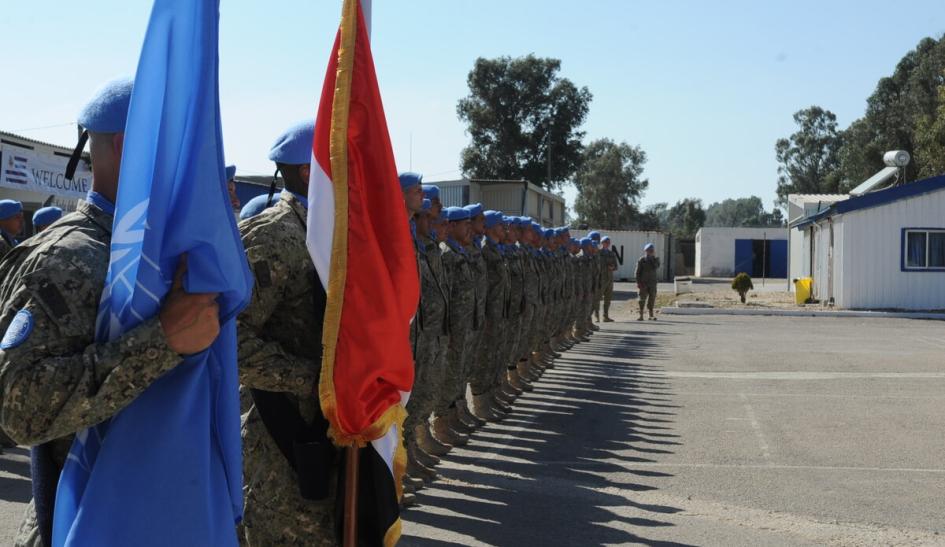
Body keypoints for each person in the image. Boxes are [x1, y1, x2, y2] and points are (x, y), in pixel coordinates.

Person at [0, 77, 221, 547]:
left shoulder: (159, 251)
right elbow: (19, 409)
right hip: (83, 521)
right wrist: (161, 341)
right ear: (128, 145)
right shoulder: (65, 257)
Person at [235, 120, 336, 546]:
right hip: (281, 433)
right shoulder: (273, 234)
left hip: (329, 425)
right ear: (309, 171)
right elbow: (229, 337)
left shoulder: (327, 233)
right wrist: (307, 376)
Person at [432, 206, 474, 448]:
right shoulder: (445, 254)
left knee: (457, 372)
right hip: (440, 328)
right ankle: (436, 426)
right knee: (440, 378)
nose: (468, 228)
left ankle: (452, 415)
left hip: (460, 323)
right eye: (464, 223)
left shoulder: (457, 252)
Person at [636, 243, 660, 321]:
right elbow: (637, 272)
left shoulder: (656, 259)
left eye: (651, 250)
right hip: (643, 282)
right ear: (645, 251)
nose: (649, 252)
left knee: (652, 298)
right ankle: (641, 315)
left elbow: (656, 266)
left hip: (652, 283)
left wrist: (652, 258)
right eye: (648, 250)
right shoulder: (642, 260)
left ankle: (651, 314)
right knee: (642, 299)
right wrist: (638, 282)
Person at [599, 236, 619, 322]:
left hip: (609, 279)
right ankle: (596, 316)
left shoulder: (612, 254)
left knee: (608, 298)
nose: (607, 244)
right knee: (597, 298)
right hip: (600, 278)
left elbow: (616, 266)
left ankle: (605, 316)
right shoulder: (598, 253)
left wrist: (613, 267)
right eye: (605, 242)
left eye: (608, 242)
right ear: (602, 243)